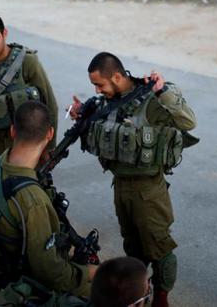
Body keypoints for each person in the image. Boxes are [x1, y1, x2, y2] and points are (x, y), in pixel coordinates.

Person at [69, 52, 198, 307]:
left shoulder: (150, 99)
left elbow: (188, 121)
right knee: (133, 245)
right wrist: (80, 114)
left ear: (117, 76)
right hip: (121, 186)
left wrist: (163, 92)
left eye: (100, 84)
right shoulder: (109, 101)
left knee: (159, 247)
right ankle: (139, 291)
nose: (96, 90)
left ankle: (161, 296)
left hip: (149, 190)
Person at [0, 101, 94, 298]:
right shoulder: (34, 201)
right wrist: (92, 272)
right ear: (49, 134)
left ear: (13, 131)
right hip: (22, 278)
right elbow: (52, 274)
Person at [0, 13, 58, 165]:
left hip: (25, 147)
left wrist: (48, 147)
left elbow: (49, 106)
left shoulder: (27, 63)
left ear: (4, 33)